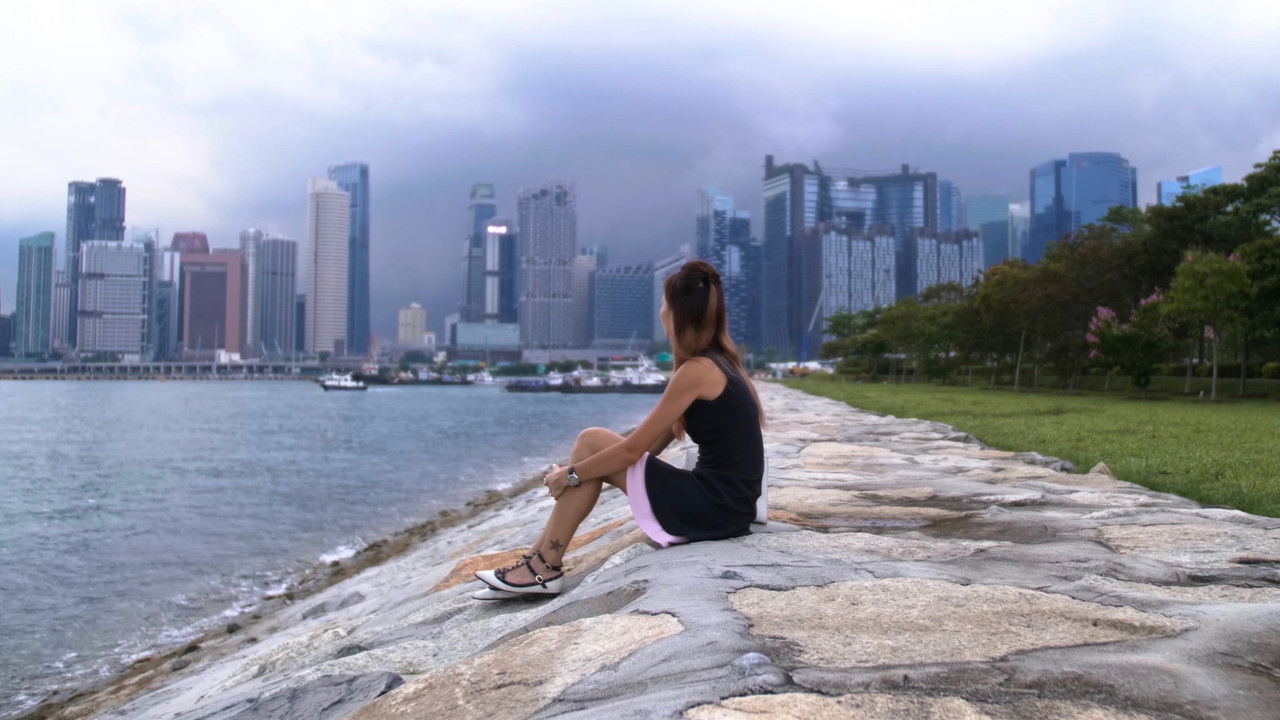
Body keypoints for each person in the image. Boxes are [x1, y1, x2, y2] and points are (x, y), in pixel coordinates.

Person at [473, 260, 765, 598]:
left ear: (675, 314)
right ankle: (537, 561)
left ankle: (543, 567)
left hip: (714, 509)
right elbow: (648, 447)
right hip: (728, 507)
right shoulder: (720, 364)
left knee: (590, 440)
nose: (660, 311)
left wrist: (570, 475)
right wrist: (579, 472)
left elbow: (631, 451)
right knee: (591, 453)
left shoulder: (697, 370)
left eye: (663, 304)